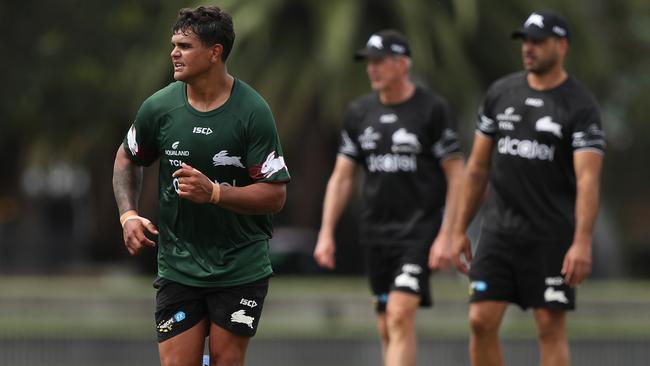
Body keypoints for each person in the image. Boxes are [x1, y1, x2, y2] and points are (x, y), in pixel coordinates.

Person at [112, 6, 290, 366]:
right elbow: (127, 157)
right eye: (173, 44)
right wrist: (128, 215)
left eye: (185, 45)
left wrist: (215, 193)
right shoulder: (159, 108)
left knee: (226, 360)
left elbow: (275, 195)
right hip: (178, 266)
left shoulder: (253, 112)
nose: (174, 53)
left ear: (215, 52)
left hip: (240, 267)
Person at [450, 10, 605, 366]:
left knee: (550, 327)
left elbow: (588, 179)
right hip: (499, 233)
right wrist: (458, 229)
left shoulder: (580, 106)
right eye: (526, 41)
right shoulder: (500, 93)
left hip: (552, 235)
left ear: (562, 45)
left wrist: (582, 242)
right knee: (480, 321)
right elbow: (477, 169)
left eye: (538, 41)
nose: (529, 49)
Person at [313, 29, 464, 366]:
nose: (373, 69)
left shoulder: (432, 110)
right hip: (377, 233)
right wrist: (326, 233)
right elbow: (342, 177)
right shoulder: (359, 113)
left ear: (402, 63)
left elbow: (458, 176)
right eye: (369, 63)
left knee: (399, 313)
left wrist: (448, 235)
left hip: (419, 232)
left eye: (380, 62)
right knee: (386, 324)